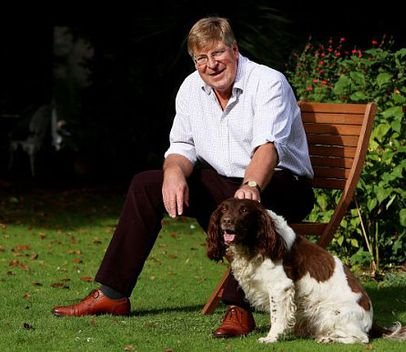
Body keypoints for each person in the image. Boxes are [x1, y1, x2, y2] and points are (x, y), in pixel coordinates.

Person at [51, 16, 315, 338]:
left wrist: (251, 185)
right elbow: (181, 145)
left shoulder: (269, 82)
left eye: (217, 53)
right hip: (225, 185)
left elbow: (268, 147)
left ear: (234, 49)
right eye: (201, 58)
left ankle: (238, 308)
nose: (210, 64)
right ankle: (113, 294)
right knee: (146, 184)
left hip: (279, 185)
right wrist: (173, 173)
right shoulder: (191, 87)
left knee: (245, 202)